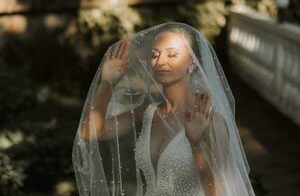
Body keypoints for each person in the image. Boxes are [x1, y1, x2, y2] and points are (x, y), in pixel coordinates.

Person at [72, 22, 256, 196]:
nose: (160, 61)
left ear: (192, 62)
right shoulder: (147, 114)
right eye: (154, 54)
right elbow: (90, 132)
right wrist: (106, 84)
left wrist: (196, 143)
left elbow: (217, 191)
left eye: (172, 54)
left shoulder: (210, 120)